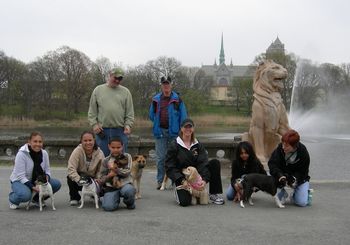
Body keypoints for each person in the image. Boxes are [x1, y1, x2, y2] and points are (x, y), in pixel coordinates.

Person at [165, 118, 225, 206]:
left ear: (193, 129)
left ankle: (213, 194)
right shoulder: (174, 145)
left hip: (197, 178)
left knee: (214, 163)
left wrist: (204, 180)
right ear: (181, 128)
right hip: (182, 178)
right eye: (185, 127)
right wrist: (181, 180)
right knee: (185, 203)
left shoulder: (198, 145)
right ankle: (180, 191)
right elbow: (169, 166)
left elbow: (203, 163)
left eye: (190, 127)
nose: (188, 129)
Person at [149, 76, 187, 190]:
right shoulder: (155, 100)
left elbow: (184, 116)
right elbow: (151, 115)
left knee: (175, 158)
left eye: (168, 84)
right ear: (161, 86)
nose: (166, 86)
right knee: (161, 158)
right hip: (160, 132)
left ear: (171, 85)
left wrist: (182, 130)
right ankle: (160, 181)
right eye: (164, 84)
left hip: (174, 133)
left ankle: (174, 180)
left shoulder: (178, 100)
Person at [8, 132, 61, 209]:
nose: (38, 144)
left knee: (56, 184)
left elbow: (47, 170)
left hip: (37, 180)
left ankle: (36, 199)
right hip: (19, 180)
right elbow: (20, 176)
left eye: (40, 142)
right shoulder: (21, 154)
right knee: (25, 195)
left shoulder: (44, 153)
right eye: (35, 141)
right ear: (29, 142)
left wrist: (47, 179)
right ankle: (13, 199)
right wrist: (33, 187)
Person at [88, 67, 134, 156]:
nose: (117, 81)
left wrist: (128, 125)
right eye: (115, 78)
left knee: (121, 161)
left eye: (120, 79)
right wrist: (94, 125)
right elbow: (92, 112)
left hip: (120, 131)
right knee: (101, 159)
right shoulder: (98, 90)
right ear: (110, 75)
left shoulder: (126, 92)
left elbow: (130, 113)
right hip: (102, 131)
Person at [268, 129, 311, 207]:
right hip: (281, 177)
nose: (283, 147)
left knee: (302, 203)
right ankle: (283, 193)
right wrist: (280, 175)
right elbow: (272, 164)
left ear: (295, 146)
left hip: (298, 179)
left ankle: (294, 195)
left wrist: (294, 179)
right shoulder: (279, 149)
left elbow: (303, 172)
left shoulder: (303, 152)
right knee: (278, 200)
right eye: (283, 143)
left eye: (286, 145)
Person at [67, 130, 105, 206]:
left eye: (90, 140)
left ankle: (94, 194)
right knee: (70, 177)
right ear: (81, 141)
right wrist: (80, 180)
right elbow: (71, 169)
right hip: (81, 177)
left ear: (94, 140)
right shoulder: (77, 151)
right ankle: (74, 197)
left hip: (93, 179)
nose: (88, 143)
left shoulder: (100, 153)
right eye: (85, 140)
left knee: (104, 185)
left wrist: (97, 180)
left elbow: (101, 170)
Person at [98, 137, 136, 211]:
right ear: (109, 146)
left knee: (129, 191)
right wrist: (109, 175)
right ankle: (115, 198)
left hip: (125, 184)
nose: (116, 149)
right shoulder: (105, 160)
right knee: (108, 207)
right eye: (113, 147)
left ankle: (129, 202)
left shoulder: (127, 156)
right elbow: (101, 177)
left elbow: (127, 172)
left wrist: (115, 170)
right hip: (111, 186)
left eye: (118, 147)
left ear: (122, 146)